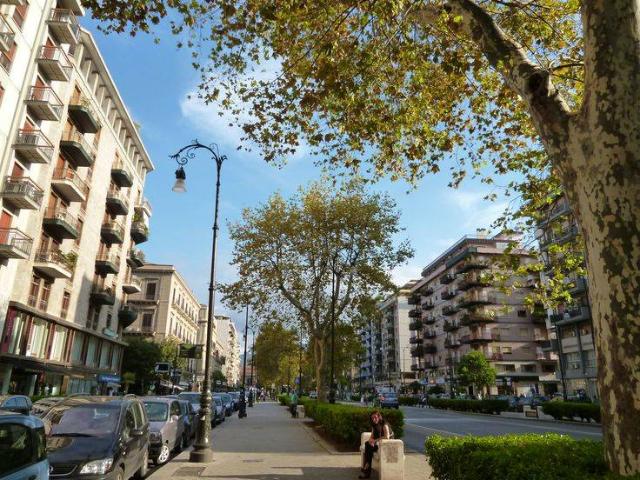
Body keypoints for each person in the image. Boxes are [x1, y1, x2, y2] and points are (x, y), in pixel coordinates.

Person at [359, 411, 391, 479]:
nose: (374, 419)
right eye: (372, 418)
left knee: (368, 446)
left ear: (379, 417)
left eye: (375, 417)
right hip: (378, 444)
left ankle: (366, 469)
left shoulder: (384, 424)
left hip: (386, 445)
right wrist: (371, 441)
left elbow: (387, 437)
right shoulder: (374, 425)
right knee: (368, 444)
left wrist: (374, 441)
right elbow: (372, 436)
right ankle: (367, 468)